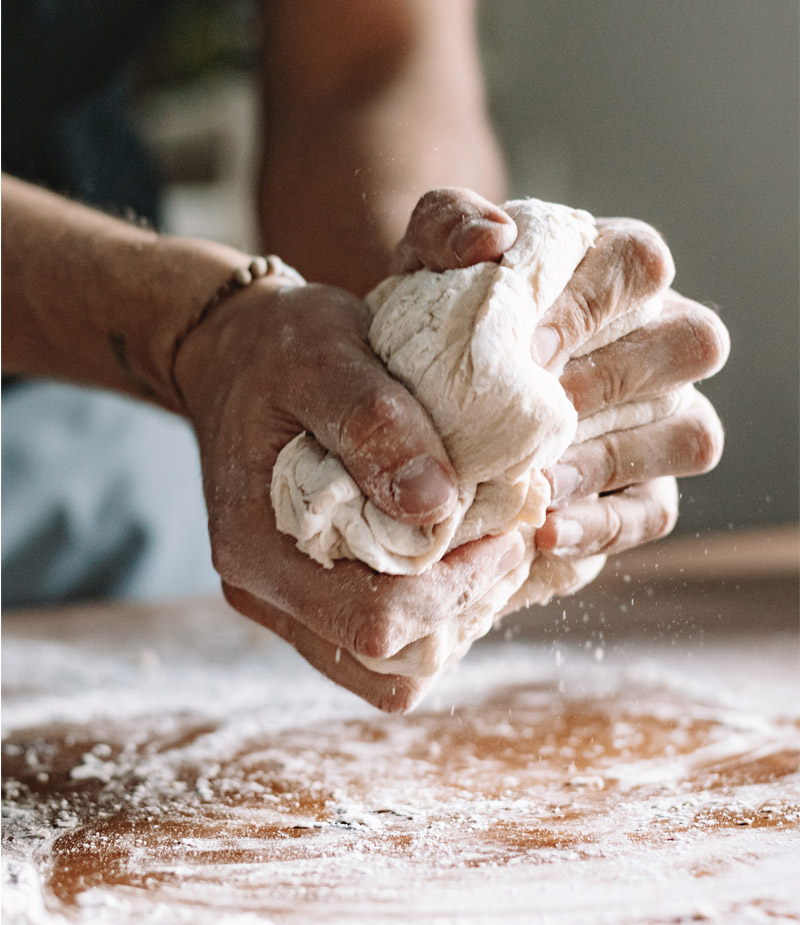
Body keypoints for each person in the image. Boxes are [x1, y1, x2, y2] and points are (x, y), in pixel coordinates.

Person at [2, 0, 729, 711]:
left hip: (101, 430)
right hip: (119, 324)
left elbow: (366, 66)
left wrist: (420, 335)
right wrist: (188, 326)